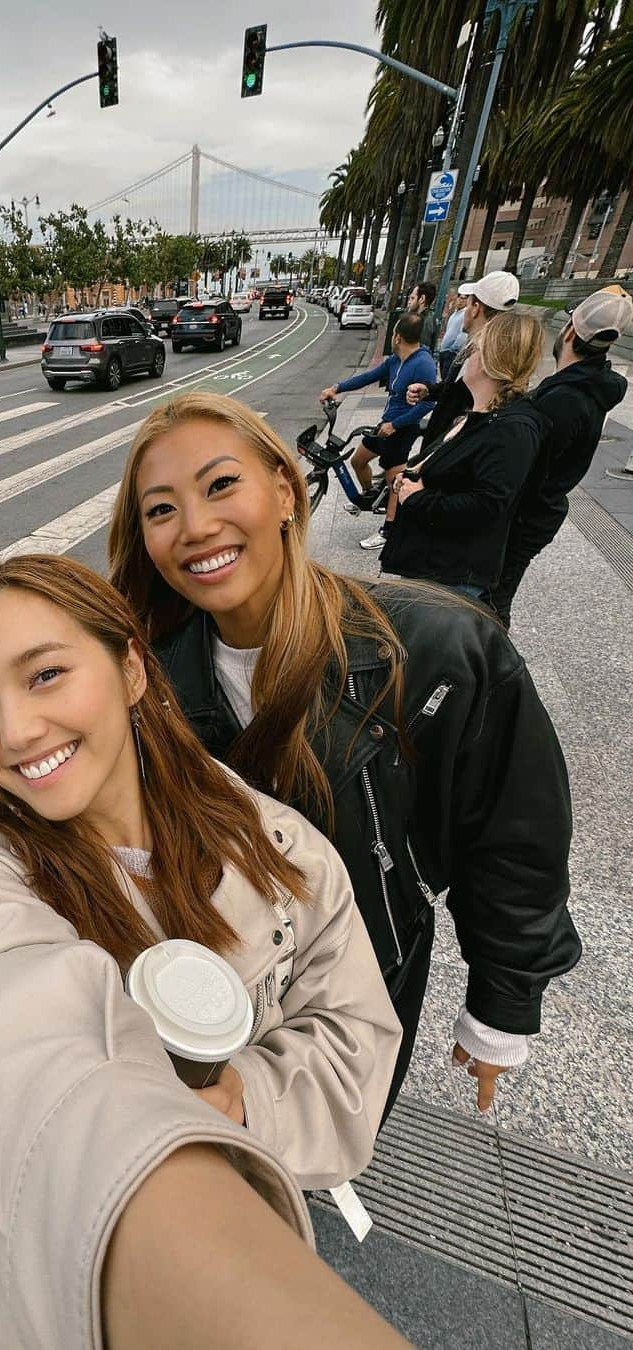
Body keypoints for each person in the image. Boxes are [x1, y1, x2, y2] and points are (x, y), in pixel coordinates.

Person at [0, 555, 404, 1350]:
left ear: (132, 670)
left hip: (275, 1183)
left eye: (44, 675)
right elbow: (11, 1040)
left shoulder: (263, 834)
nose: (13, 732)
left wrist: (244, 1097)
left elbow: (351, 1023)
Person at [107, 390, 581, 1118]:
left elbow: (513, 837)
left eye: (221, 485)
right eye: (161, 509)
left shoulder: (435, 648)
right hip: (199, 998)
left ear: (286, 492)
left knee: (315, 1158)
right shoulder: (147, 674)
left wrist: (502, 1007)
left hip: (356, 992)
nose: (196, 527)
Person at [489, 285, 632, 627]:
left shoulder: (565, 400)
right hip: (538, 514)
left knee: (492, 604)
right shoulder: (584, 387)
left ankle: (494, 671)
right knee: (495, 596)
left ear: (569, 331)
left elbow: (525, 468)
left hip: (524, 519)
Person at [383, 311, 547, 602]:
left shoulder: (512, 429)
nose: (465, 360)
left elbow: (488, 505)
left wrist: (417, 498)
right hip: (433, 565)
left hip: (449, 578)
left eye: (471, 351)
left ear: (487, 360)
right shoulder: (482, 416)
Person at [319, 313, 437, 550]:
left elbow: (428, 403)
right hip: (385, 425)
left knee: (395, 481)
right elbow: (368, 377)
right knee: (358, 460)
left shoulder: (423, 364)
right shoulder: (395, 360)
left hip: (403, 429)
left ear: (397, 336)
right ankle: (369, 496)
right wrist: (337, 388)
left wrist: (395, 425)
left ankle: (388, 531)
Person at [405, 270, 520, 449]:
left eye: (468, 303)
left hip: (445, 458)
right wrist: (430, 390)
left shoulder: (483, 359)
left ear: (475, 308)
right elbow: (455, 389)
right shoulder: (487, 349)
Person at [437, 293, 469, 379]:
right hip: (444, 351)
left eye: (464, 298)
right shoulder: (454, 314)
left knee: (447, 379)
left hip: (451, 353)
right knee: (443, 378)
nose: (460, 300)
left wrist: (453, 349)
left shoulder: (465, 314)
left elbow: (463, 334)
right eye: (459, 297)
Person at [406, 280, 438, 351]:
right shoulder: (421, 318)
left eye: (412, 298)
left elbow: (420, 351)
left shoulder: (424, 322)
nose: (409, 302)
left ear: (422, 299)